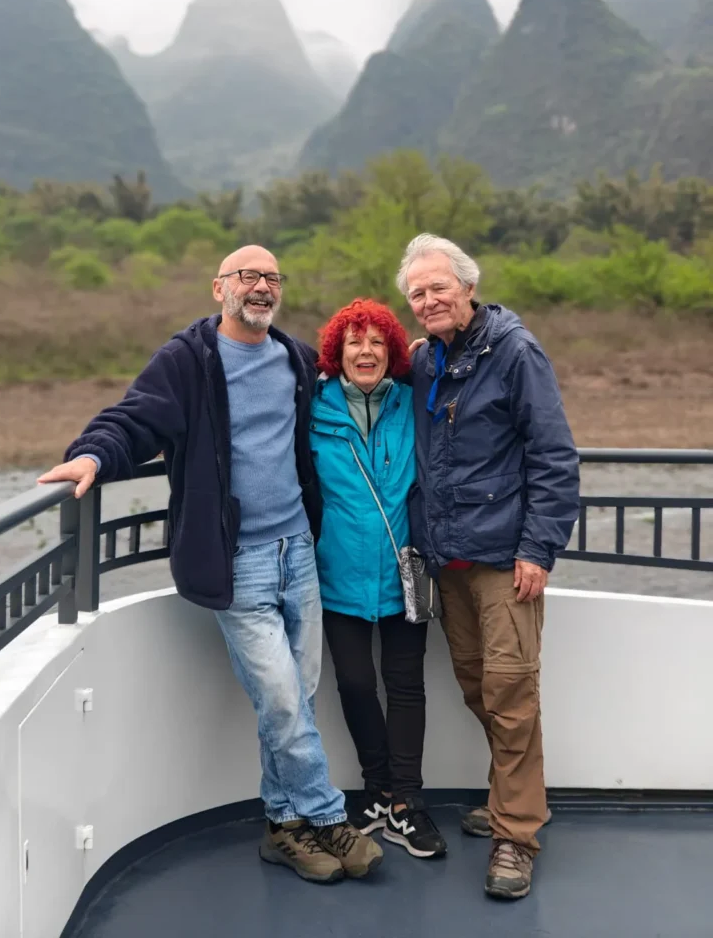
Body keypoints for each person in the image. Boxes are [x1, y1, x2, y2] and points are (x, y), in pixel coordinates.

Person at [38, 245, 383, 885]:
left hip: (299, 553)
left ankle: (283, 827)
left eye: (271, 278)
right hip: (238, 563)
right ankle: (328, 814)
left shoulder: (297, 360)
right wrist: (91, 456)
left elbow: (364, 380)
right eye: (247, 276)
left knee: (296, 698)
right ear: (218, 287)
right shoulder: (186, 362)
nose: (260, 287)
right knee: (281, 699)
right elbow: (133, 421)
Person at [398, 233, 580, 900]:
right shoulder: (424, 360)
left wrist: (539, 547)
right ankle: (514, 797)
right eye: (417, 294)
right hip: (448, 560)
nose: (428, 300)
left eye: (438, 287)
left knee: (509, 695)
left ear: (468, 288)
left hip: (505, 559)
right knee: (478, 688)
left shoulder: (514, 352)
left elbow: (553, 454)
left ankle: (516, 834)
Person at [310, 299, 447, 859]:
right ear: (336, 353)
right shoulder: (312, 406)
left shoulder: (413, 404)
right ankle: (378, 788)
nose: (365, 352)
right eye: (353, 342)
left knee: (406, 684)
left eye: (376, 342)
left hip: (403, 568)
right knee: (356, 684)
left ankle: (407, 802)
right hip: (337, 570)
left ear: (391, 352)